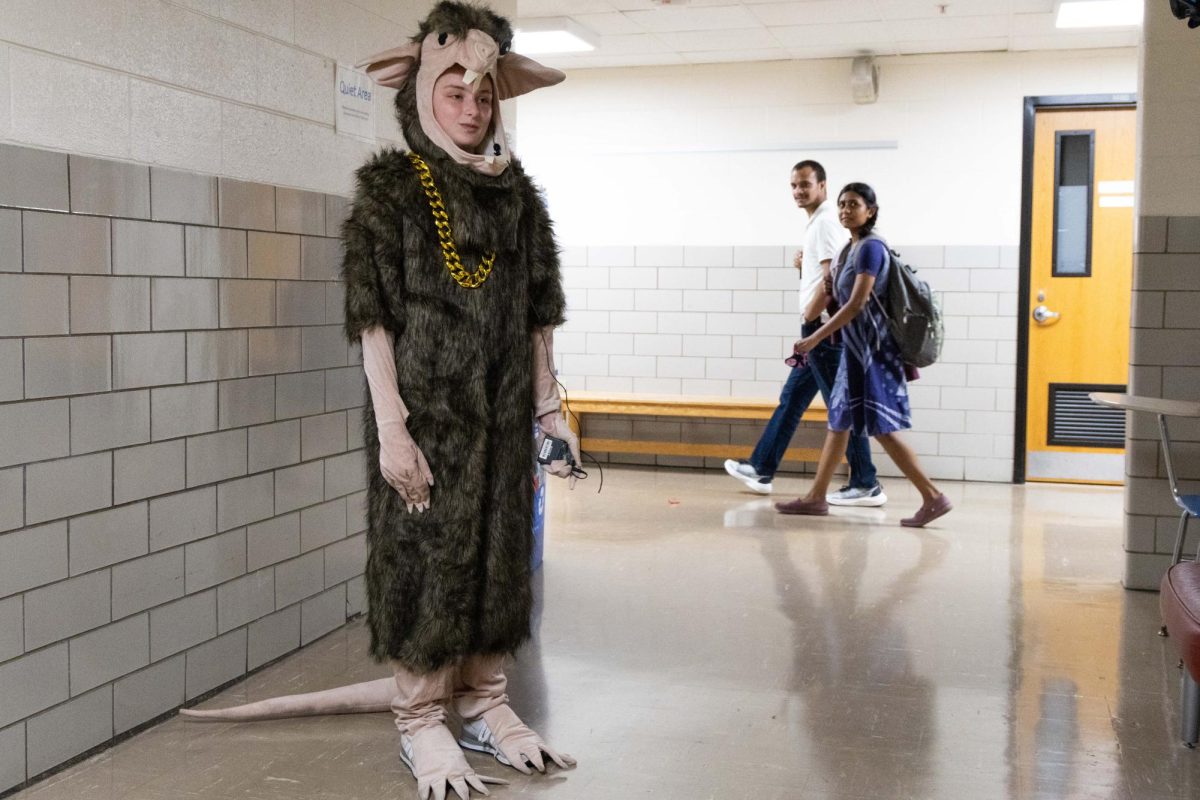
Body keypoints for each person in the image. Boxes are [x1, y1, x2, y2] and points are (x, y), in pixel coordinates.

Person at [180, 4, 578, 799]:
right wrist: (393, 430)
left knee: (500, 559)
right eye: (454, 92)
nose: (470, 109)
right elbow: (372, 323)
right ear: (422, 90)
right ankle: (420, 716)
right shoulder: (392, 193)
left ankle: (485, 701)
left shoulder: (518, 198)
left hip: (501, 419)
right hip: (423, 420)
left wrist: (547, 410)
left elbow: (538, 313)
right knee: (425, 565)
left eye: (484, 96)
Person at [775, 183, 952, 528]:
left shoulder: (871, 248)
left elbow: (856, 303)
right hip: (854, 353)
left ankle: (932, 496)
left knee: (881, 428)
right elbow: (835, 295)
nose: (844, 210)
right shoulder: (848, 249)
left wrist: (815, 337)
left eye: (853, 204)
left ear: (870, 210)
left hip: (872, 353)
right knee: (839, 421)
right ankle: (815, 497)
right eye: (841, 204)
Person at [725, 160, 886, 506]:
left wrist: (811, 319)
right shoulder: (819, 223)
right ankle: (761, 467)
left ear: (822, 186)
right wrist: (804, 268)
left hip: (823, 333)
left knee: (839, 408)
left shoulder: (826, 222)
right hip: (816, 331)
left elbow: (832, 283)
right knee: (793, 399)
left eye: (805, 185)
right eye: (794, 186)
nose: (799, 191)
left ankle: (865, 481)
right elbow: (825, 271)